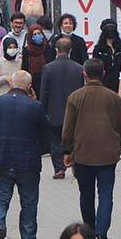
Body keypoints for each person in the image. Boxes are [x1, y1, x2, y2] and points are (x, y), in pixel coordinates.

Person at [0, 71, 50, 239]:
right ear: (29, 86)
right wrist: (40, 151)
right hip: (28, 162)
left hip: (1, 159)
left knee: (0, 198)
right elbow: (46, 134)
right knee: (29, 202)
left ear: (11, 84)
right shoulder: (35, 106)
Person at [62, 60, 121, 239]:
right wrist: (119, 143)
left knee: (86, 194)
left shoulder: (75, 97)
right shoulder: (114, 98)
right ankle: (102, 234)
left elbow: (68, 128)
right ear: (104, 73)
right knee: (106, 193)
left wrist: (67, 150)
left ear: (84, 74)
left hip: (83, 154)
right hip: (108, 154)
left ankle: (89, 232)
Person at [39, 37, 85, 179]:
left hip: (54, 112)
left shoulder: (48, 68)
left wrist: (43, 111)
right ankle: (76, 166)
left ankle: (59, 169)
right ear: (71, 50)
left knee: (55, 141)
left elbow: (44, 92)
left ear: (56, 50)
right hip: (74, 112)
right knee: (75, 140)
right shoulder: (78, 68)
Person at [91, 20, 121, 92]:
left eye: (112, 28)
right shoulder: (98, 49)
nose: (110, 30)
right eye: (108, 28)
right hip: (104, 86)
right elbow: (96, 68)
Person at [20, 27, 49, 95]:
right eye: (35, 34)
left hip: (45, 80)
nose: (37, 36)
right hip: (32, 82)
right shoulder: (27, 50)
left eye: (39, 33)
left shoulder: (47, 47)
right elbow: (25, 67)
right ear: (30, 37)